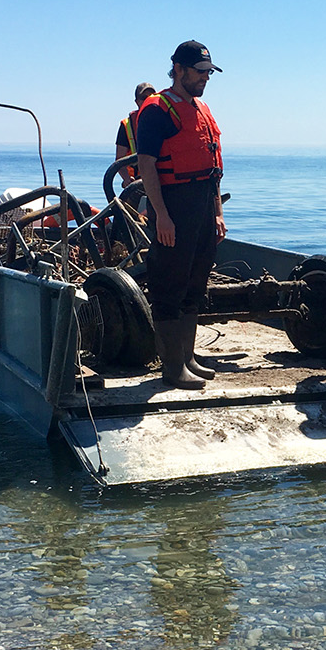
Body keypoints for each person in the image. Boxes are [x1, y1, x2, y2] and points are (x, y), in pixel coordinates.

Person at [136, 40, 226, 389]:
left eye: (209, 73)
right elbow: (147, 165)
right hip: (174, 204)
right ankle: (172, 367)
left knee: (195, 282)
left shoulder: (201, 109)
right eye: (200, 72)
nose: (205, 78)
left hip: (203, 205)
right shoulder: (158, 110)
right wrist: (162, 215)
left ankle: (187, 357)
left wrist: (217, 213)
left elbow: (213, 168)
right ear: (178, 70)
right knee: (169, 284)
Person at [115, 82, 157, 187]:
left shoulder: (165, 120)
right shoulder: (126, 125)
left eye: (152, 97)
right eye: (144, 98)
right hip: (138, 183)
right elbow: (119, 161)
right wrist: (127, 179)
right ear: (137, 102)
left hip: (161, 178)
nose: (148, 100)